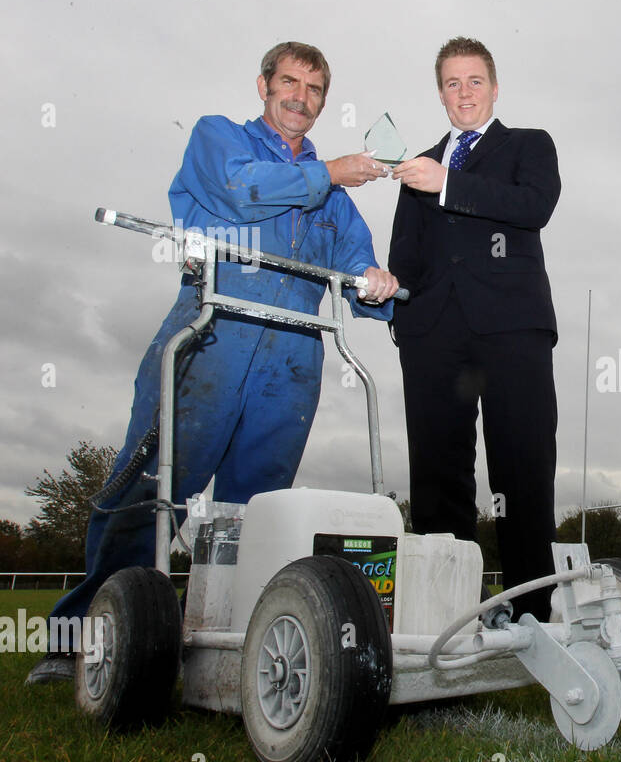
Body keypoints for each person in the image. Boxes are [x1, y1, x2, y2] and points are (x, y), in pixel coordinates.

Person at [28, 42, 399, 684]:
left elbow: (355, 266)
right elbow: (239, 191)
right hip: (209, 336)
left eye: (313, 90)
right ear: (263, 85)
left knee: (253, 513)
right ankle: (76, 642)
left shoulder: (337, 200)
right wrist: (330, 173)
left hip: (293, 358)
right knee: (150, 491)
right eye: (289, 83)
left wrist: (376, 284)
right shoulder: (219, 138)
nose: (299, 98)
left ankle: (213, 645)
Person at [388, 37, 561, 620]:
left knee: (521, 467)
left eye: (475, 81)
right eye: (452, 84)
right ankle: (446, 614)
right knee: (437, 474)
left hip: (512, 329)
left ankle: (533, 613)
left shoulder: (529, 146)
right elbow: (405, 253)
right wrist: (397, 302)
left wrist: (447, 184)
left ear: (494, 86)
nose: (464, 93)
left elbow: (533, 206)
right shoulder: (418, 165)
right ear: (440, 94)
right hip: (432, 334)